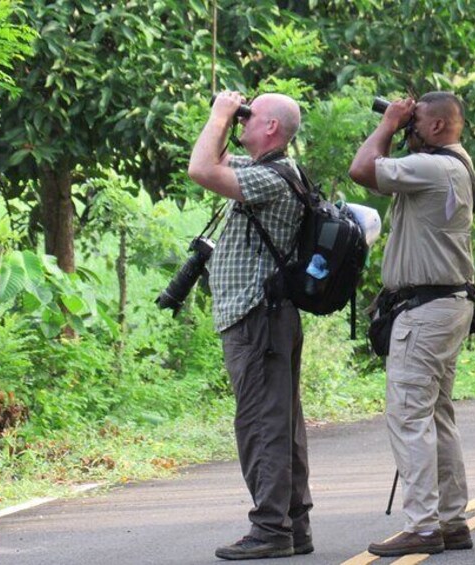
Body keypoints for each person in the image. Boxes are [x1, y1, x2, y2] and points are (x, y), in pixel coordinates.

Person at [348, 92, 475, 557]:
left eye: (415, 121)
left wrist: (386, 123)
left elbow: (362, 169)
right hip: (445, 306)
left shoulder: (435, 168)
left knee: (408, 413)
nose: (407, 127)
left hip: (426, 312)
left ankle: (423, 524)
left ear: (439, 126)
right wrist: (404, 123)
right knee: (437, 414)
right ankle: (451, 520)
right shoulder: (457, 166)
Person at [187, 91, 313, 560]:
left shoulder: (271, 179)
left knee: (261, 422)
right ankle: (294, 525)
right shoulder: (274, 170)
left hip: (257, 316)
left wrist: (221, 111)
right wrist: (221, 119)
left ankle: (270, 528)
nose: (240, 122)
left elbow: (200, 170)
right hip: (268, 316)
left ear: (272, 128)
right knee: (281, 420)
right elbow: (214, 156)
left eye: (249, 117)